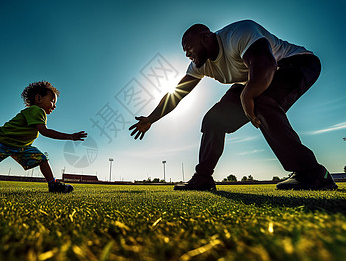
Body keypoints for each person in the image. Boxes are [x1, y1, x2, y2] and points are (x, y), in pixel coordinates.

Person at [129, 20, 337, 191]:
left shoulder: (239, 32)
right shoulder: (199, 66)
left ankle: (314, 174)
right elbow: (176, 95)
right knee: (214, 119)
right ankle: (203, 178)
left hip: (296, 64)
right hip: (253, 79)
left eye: (189, 47)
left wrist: (248, 95)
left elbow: (266, 63)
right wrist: (150, 119)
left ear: (206, 38)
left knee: (261, 102)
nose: (187, 54)